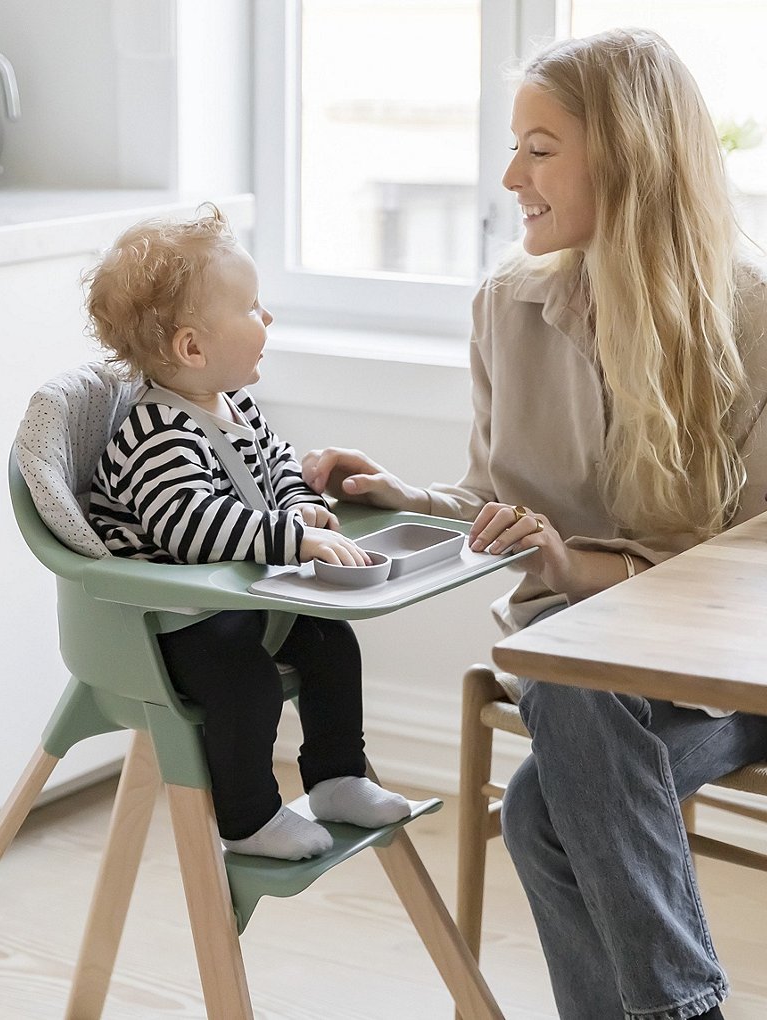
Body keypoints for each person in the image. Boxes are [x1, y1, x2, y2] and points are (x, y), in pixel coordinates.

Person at [303, 28, 767, 1020]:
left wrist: (571, 568)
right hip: (580, 672)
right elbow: (499, 506)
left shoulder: (753, 318)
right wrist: (407, 497)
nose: (511, 177)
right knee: (563, 705)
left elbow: (751, 570)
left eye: (540, 149)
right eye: (514, 148)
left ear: (630, 157)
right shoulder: (504, 308)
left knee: (539, 802)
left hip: (720, 678)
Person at [85, 207, 410, 862]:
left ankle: (336, 778)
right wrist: (294, 541)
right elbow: (191, 527)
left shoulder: (235, 406)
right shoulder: (157, 432)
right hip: (170, 619)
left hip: (234, 598)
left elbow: (277, 467)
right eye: (253, 308)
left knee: (330, 640)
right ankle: (249, 818)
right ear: (193, 348)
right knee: (246, 682)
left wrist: (303, 507)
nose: (269, 318)